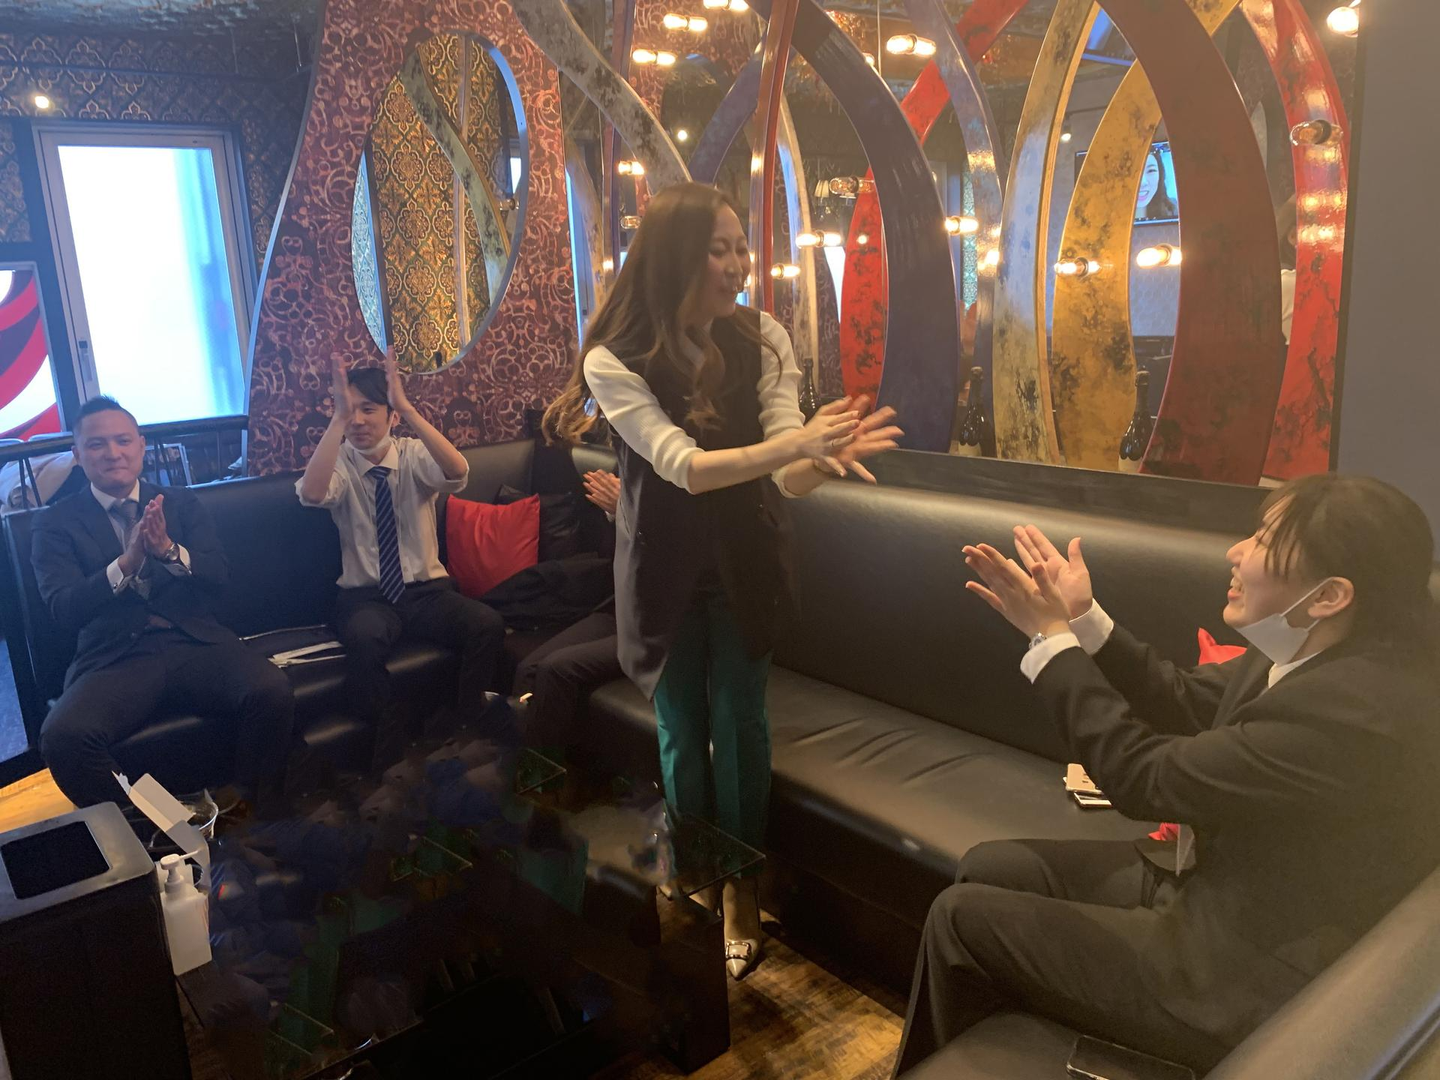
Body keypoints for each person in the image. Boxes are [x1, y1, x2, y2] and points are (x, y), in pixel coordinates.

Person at [894, 474, 1440, 1074]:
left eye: (1262, 541)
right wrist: (1082, 618)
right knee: (988, 865)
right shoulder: (1310, 645)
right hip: (1215, 886)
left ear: (1329, 595)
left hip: (1241, 963)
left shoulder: (1353, 716)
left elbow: (1143, 779)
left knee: (958, 919)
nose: (1236, 552)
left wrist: (1050, 642)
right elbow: (1183, 698)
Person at [543, 181, 903, 980]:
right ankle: (696, 868)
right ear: (678, 256)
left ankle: (742, 887)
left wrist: (820, 459)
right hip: (662, 570)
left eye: (742, 246)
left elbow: (788, 474)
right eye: (721, 248)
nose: (740, 263)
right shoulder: (613, 359)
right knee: (680, 731)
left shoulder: (763, 336)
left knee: (740, 727)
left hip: (748, 562)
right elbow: (684, 467)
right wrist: (795, 447)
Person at [34, 397, 295, 810]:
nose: (113, 453)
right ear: (77, 455)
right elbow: (63, 608)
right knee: (64, 737)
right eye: (97, 444)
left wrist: (169, 551)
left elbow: (218, 576)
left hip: (190, 640)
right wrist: (125, 564)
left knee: (271, 690)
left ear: (140, 446)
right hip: (116, 654)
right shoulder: (54, 523)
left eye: (123, 441)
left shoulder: (180, 502)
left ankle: (248, 812)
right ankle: (152, 826)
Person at [297, 350, 504, 757]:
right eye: (350, 410)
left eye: (368, 409)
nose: (358, 420)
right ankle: (383, 747)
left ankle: (467, 726)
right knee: (365, 637)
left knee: (487, 624)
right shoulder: (339, 461)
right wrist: (337, 420)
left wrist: (407, 408)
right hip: (366, 597)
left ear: (391, 417)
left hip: (426, 593)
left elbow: (458, 471)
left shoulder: (413, 454)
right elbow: (313, 494)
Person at [512, 469, 623, 755]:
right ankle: (520, 760)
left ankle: (537, 774)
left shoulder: (683, 485)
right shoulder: (637, 474)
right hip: (620, 609)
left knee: (556, 669)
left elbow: (669, 553)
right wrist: (617, 514)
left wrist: (626, 510)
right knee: (529, 668)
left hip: (658, 626)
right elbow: (616, 558)